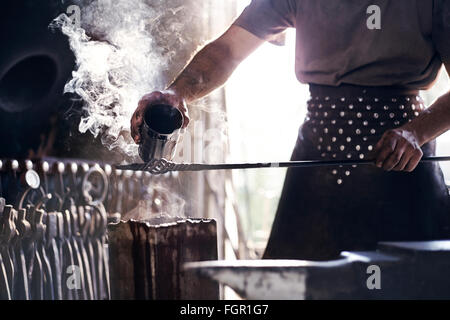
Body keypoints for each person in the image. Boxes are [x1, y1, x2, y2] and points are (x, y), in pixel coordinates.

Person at [131, 0, 450, 260]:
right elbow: (228, 50)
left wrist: (417, 132)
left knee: (410, 282)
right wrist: (178, 92)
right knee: (295, 284)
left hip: (405, 169)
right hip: (317, 162)